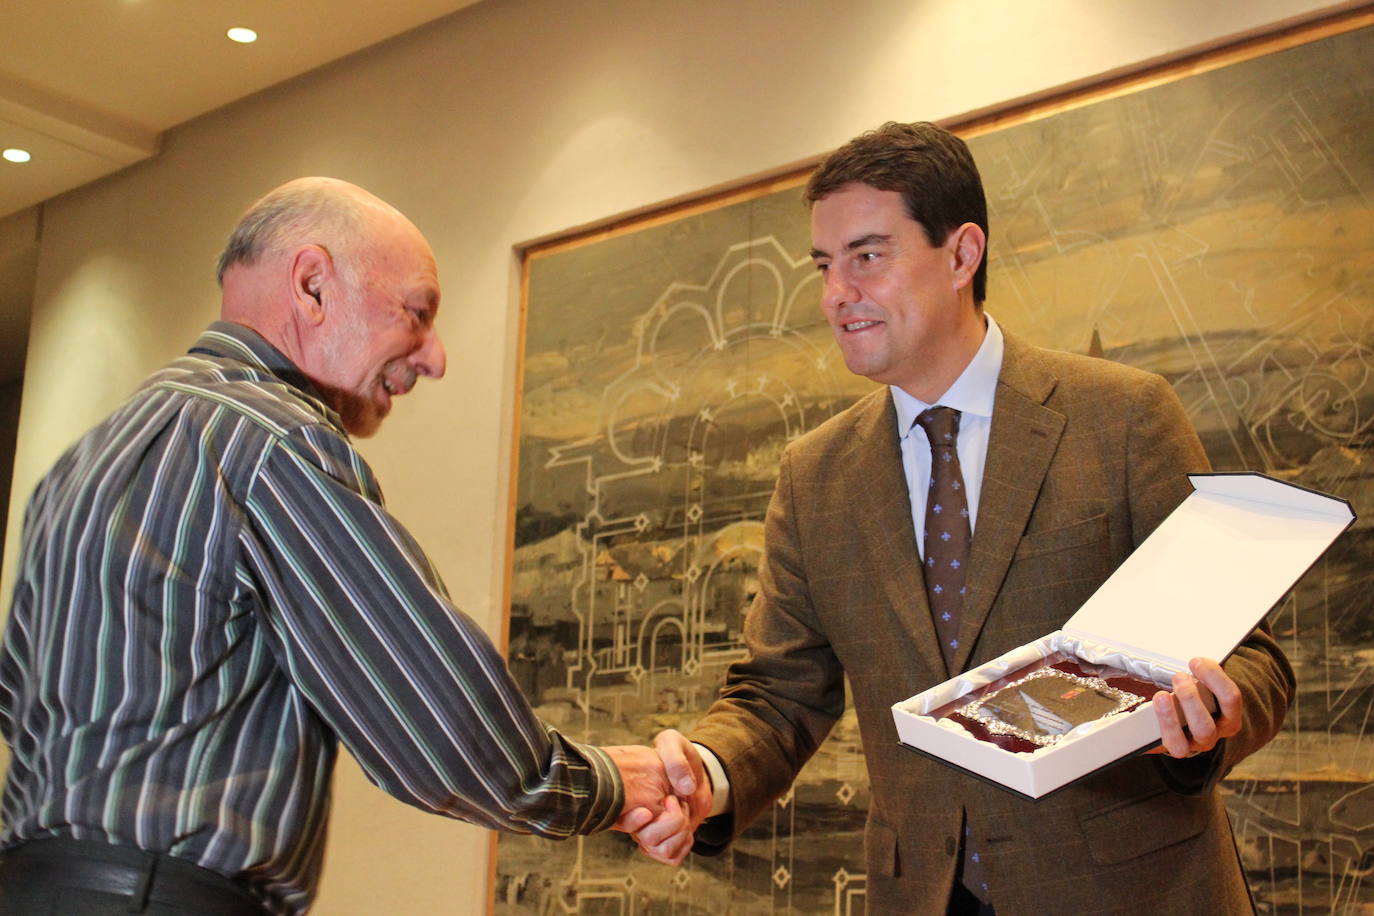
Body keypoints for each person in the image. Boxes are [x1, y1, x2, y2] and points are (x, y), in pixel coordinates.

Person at [632, 123, 1295, 913]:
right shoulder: (814, 478)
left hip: (1132, 889)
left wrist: (1211, 718)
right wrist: (704, 771)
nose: (836, 293)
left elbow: (1252, 659)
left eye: (867, 256)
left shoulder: (1122, 419)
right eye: (825, 265)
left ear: (961, 254)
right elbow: (779, 694)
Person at [0, 178, 705, 915]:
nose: (433, 359)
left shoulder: (84, 460)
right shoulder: (271, 440)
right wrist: (612, 785)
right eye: (417, 314)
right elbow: (439, 728)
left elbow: (21, 698)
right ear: (311, 286)